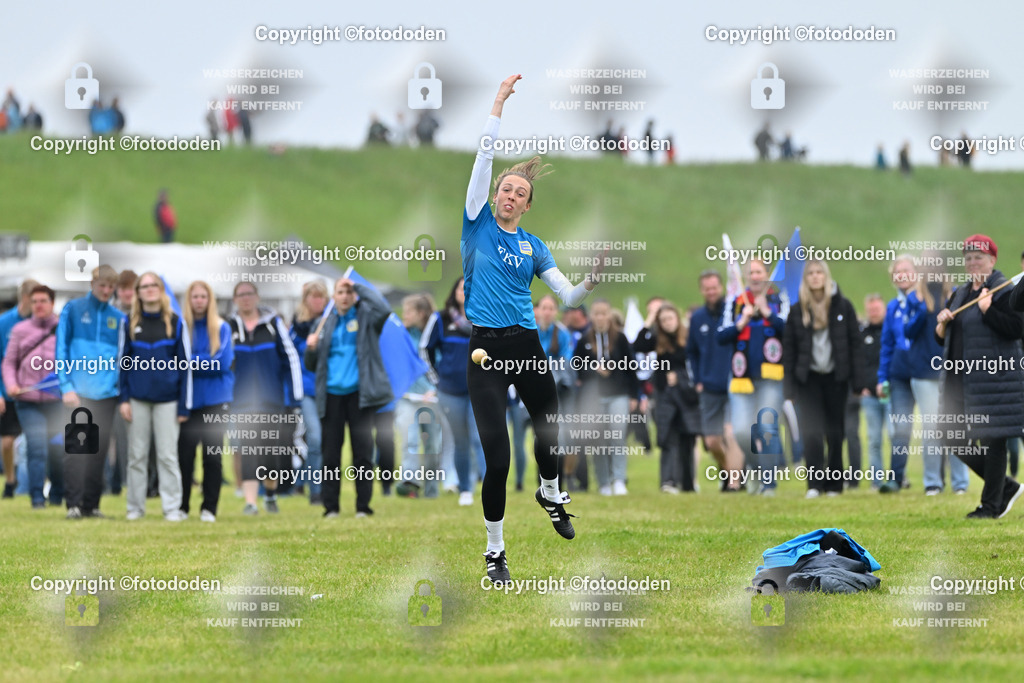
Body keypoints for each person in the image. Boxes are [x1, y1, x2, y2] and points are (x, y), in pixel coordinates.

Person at [464, 75, 604, 585]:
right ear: (494, 194)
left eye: (519, 193)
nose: (510, 195)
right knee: (498, 460)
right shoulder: (476, 221)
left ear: (527, 205)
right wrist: (498, 102)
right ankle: (495, 553)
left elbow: (567, 297)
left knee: (549, 430)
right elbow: (484, 156)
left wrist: (589, 281)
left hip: (526, 345)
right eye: (506, 188)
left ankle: (549, 491)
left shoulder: (534, 245)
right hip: (485, 351)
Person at [935, 235, 1023, 518]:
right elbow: (946, 338)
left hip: (994, 379)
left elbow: (1017, 328)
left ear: (992, 260)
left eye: (979, 257)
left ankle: (991, 505)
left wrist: (988, 311)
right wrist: (941, 326)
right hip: (961, 381)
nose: (973, 262)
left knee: (992, 439)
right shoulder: (960, 294)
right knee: (950, 435)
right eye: (969, 258)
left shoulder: (1005, 291)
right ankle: (1006, 487)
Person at [305, 277, 393, 518]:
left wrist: (358, 286)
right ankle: (330, 507)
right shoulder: (323, 323)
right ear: (333, 296)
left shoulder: (367, 318)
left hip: (359, 396)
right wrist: (310, 349)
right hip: (330, 396)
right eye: (340, 292)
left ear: (354, 296)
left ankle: (363, 507)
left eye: (348, 292)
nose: (344, 296)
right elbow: (311, 365)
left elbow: (383, 308)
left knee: (363, 453)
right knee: (330, 455)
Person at [783, 260, 865, 497]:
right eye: (811, 273)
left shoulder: (843, 306)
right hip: (808, 380)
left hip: (836, 379)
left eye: (819, 272)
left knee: (835, 433)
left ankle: (834, 484)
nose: (815, 276)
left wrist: (858, 381)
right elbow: (789, 351)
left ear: (826, 276)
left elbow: (855, 344)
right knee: (811, 434)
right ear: (806, 278)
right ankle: (814, 484)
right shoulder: (797, 310)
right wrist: (789, 388)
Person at [119, 272, 191, 521]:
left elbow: (185, 366)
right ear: (138, 292)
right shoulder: (128, 323)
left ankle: (172, 508)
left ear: (161, 290)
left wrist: (183, 406)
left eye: (153, 285)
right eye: (144, 286)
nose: (149, 289)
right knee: (136, 455)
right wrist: (124, 399)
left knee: (167, 456)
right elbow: (123, 363)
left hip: (168, 400)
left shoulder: (176, 322)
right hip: (137, 399)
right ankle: (135, 508)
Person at [229, 282, 304, 515]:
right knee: (248, 450)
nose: (246, 298)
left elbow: (291, 359)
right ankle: (251, 502)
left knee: (270, 453)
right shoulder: (229, 327)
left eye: (249, 293)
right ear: (235, 299)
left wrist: (295, 396)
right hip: (242, 402)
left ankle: (270, 494)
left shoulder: (273, 325)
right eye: (241, 294)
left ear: (257, 296)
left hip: (271, 400)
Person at [57, 265, 125, 519]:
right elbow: (61, 349)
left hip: (107, 394)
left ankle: (91, 505)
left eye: (111, 287)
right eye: (102, 285)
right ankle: (73, 505)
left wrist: (118, 389)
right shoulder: (73, 309)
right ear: (92, 284)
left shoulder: (119, 318)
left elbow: (122, 357)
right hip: (77, 394)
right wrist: (66, 386)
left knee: (99, 451)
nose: (106, 291)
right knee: (76, 451)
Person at [717, 259, 786, 495]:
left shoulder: (779, 299)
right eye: (751, 272)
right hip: (741, 377)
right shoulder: (735, 302)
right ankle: (756, 470)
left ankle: (769, 483)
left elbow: (790, 331)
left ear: (767, 274)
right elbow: (721, 336)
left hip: (771, 377)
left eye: (759, 271)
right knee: (740, 430)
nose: (755, 276)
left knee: (767, 427)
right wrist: (741, 322)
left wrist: (768, 313)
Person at [422, 277, 485, 506]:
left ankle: (490, 487)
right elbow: (425, 350)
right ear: (454, 292)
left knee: (479, 438)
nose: (465, 291)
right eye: (461, 288)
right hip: (450, 391)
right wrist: (436, 381)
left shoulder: (486, 317)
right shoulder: (440, 319)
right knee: (461, 441)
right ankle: (465, 489)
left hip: (480, 390)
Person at [178, 281, 233, 522]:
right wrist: (203, 360)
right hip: (189, 401)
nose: (199, 301)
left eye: (203, 296)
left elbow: (222, 363)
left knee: (212, 455)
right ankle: (182, 506)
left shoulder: (222, 327)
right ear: (189, 300)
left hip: (216, 400)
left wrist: (190, 361)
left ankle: (209, 507)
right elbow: (175, 362)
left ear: (210, 300)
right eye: (195, 296)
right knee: (184, 455)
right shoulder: (181, 327)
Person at [2, 285, 61, 508]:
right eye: (35, 301)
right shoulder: (20, 330)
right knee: (36, 447)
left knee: (58, 449)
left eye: (43, 301)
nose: (38, 305)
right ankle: (37, 498)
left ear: (52, 303)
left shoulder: (64, 328)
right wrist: (11, 384)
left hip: (57, 401)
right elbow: (9, 362)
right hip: (28, 401)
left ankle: (57, 495)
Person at [908, 256, 963, 494]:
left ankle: (960, 483)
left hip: (951, 370)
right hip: (923, 373)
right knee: (931, 428)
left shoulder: (955, 294)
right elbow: (908, 332)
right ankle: (933, 482)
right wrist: (922, 310)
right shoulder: (915, 297)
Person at [634, 303, 701, 492]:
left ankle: (687, 483)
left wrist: (679, 377)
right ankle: (668, 481)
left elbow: (696, 363)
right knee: (668, 437)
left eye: (670, 318)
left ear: (677, 318)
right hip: (665, 395)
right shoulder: (657, 339)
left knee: (687, 437)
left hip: (687, 394)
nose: (667, 323)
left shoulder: (689, 337)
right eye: (663, 320)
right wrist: (649, 320)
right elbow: (638, 345)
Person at [688, 270, 743, 491]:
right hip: (709, 386)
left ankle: (734, 483)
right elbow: (691, 352)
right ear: (702, 290)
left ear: (721, 287)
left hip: (734, 382)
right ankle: (731, 471)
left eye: (714, 287)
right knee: (712, 441)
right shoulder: (697, 318)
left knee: (731, 434)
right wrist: (697, 379)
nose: (711, 292)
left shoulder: (734, 313)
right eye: (707, 288)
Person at [396, 293, 444, 498]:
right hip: (407, 397)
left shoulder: (435, 335)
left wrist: (434, 388)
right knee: (410, 438)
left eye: (409, 311)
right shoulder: (401, 335)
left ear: (421, 313)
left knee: (432, 444)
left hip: (431, 397)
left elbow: (440, 363)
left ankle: (432, 489)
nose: (404, 315)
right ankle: (410, 483)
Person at [289, 280, 329, 505]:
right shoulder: (297, 327)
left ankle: (303, 480)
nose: (317, 301)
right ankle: (316, 490)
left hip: (328, 388)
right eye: (313, 296)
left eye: (321, 297)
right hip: (305, 389)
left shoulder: (331, 323)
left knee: (324, 441)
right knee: (314, 436)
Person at [0, 279, 38, 498]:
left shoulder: (41, 323)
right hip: (9, 392)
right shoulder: (4, 323)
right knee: (7, 443)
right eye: (34, 300)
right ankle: (10, 480)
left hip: (34, 393)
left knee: (36, 442)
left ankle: (35, 487)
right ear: (24, 298)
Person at [108, 269, 138, 496]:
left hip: (136, 385)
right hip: (109, 384)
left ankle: (130, 483)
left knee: (131, 438)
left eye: (131, 288)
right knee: (112, 438)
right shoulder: (110, 314)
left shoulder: (144, 314)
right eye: (123, 288)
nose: (128, 293)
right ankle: (113, 482)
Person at [859, 294, 888, 488]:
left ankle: (897, 477)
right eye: (871, 310)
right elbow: (858, 362)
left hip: (890, 392)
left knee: (896, 435)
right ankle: (876, 481)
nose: (874, 313)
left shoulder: (891, 331)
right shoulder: (862, 334)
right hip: (869, 395)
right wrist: (861, 386)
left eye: (877, 309)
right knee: (874, 439)